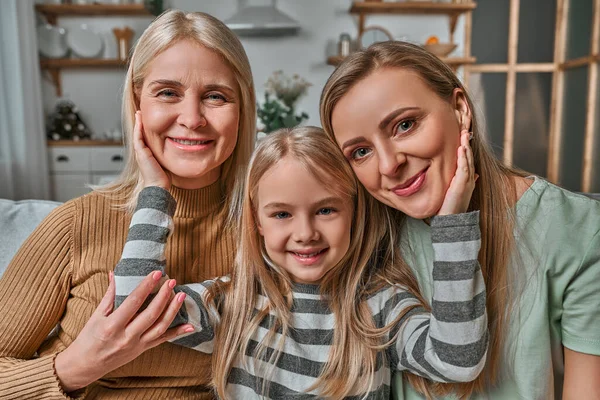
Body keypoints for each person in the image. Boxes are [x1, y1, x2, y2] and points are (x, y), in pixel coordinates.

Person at [113, 126, 488, 399]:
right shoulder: (236, 301)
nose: (305, 232)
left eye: (325, 210)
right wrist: (154, 192)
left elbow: (458, 360)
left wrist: (453, 225)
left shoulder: (380, 305)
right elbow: (135, 306)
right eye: (281, 214)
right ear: (257, 221)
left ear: (354, 214)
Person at [319, 40, 600, 399]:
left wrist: (453, 225)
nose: (389, 165)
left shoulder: (576, 227)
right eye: (361, 151)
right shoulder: (361, 236)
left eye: (405, 125)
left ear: (460, 109)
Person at [0, 9, 256, 399]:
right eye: (168, 92)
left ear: (243, 109)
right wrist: (76, 366)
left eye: (216, 96)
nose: (191, 118)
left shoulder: (274, 227)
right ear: (138, 103)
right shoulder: (76, 223)